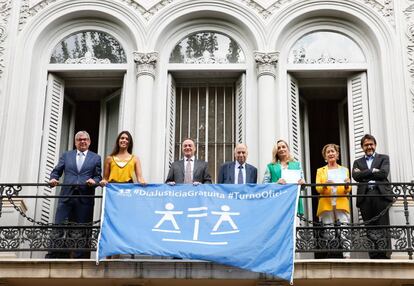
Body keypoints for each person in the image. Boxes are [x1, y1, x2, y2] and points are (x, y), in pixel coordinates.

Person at [46, 131, 102, 259]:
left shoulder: (95, 157)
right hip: (66, 195)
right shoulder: (67, 155)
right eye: (79, 139)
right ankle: (54, 254)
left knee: (81, 227)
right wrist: (53, 179)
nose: (82, 141)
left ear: (89, 142)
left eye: (85, 139)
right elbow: (57, 171)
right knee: (59, 224)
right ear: (75, 142)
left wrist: (95, 181)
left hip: (84, 197)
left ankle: (78, 256)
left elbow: (98, 176)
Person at [352, 134, 393, 259]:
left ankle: (383, 254)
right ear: (362, 147)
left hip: (380, 194)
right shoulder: (357, 162)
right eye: (366, 145)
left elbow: (384, 173)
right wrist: (373, 171)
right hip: (365, 196)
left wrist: (364, 173)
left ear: (375, 145)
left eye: (371, 144)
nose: (369, 147)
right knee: (369, 225)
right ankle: (373, 254)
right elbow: (356, 177)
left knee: (382, 224)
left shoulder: (383, 158)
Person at [315, 143, 351, 259]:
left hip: (340, 201)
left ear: (337, 154)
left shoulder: (344, 170)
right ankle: (333, 253)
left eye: (333, 151)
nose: (330, 153)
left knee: (344, 228)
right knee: (329, 229)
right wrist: (325, 185)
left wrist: (347, 185)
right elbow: (318, 188)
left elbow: (348, 190)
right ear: (325, 156)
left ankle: (347, 255)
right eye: (328, 152)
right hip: (326, 202)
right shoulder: (321, 171)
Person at [262, 139, 305, 215]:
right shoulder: (270, 166)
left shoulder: (297, 165)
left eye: (283, 147)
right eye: (279, 148)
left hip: (293, 201)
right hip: (277, 203)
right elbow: (264, 185)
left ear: (287, 149)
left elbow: (303, 187)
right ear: (276, 151)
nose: (281, 149)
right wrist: (276, 183)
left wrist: (303, 183)